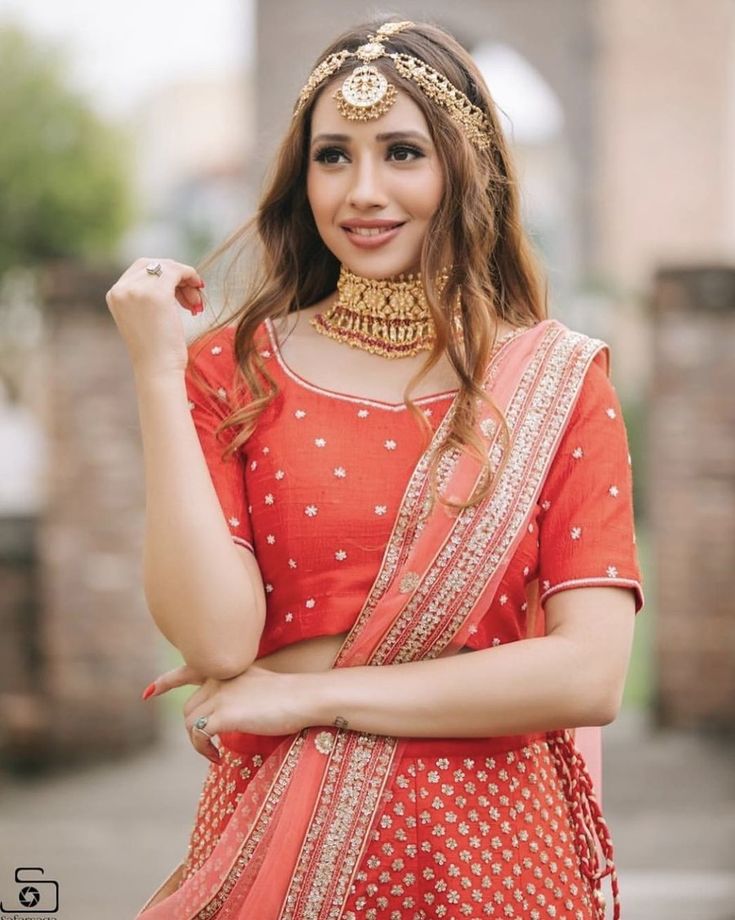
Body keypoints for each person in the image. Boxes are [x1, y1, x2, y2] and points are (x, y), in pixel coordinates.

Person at [106, 18, 644, 920]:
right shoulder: (230, 371)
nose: (362, 192)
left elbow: (586, 677)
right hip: (278, 838)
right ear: (300, 175)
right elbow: (217, 644)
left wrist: (307, 701)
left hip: (495, 850)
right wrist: (157, 371)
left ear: (464, 173)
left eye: (401, 152)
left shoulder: (558, 379)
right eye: (332, 157)